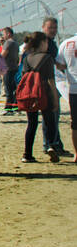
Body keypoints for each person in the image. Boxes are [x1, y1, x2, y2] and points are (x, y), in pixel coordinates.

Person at [19, 32, 60, 164]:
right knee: (49, 121)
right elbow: (50, 81)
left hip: (30, 95)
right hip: (45, 94)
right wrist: (55, 99)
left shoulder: (27, 58)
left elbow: (24, 77)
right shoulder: (47, 58)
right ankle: (50, 145)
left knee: (31, 124)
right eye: (46, 42)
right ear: (42, 43)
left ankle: (27, 154)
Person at [40, 17, 67, 155]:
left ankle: (55, 143)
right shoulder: (43, 42)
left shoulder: (51, 42)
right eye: (50, 28)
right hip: (47, 82)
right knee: (51, 113)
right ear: (44, 27)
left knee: (54, 113)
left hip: (52, 80)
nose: (53, 30)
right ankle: (50, 144)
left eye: (55, 28)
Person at [57, 30, 77, 164]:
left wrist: (69, 70)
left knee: (75, 124)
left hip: (74, 87)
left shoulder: (66, 43)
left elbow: (59, 64)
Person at [0, 27, 20, 114]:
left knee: (8, 90)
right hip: (14, 68)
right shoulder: (15, 43)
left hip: (8, 68)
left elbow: (2, 56)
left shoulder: (8, 43)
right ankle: (15, 107)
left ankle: (8, 108)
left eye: (3, 34)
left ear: (8, 34)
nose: (3, 36)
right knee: (13, 89)